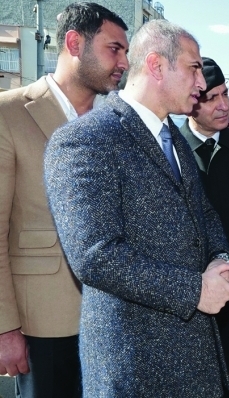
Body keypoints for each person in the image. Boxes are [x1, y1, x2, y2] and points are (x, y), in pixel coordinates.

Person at [43, 20, 229, 396]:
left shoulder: (173, 138)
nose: (201, 82)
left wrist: (221, 260)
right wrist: (195, 290)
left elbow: (204, 214)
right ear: (156, 65)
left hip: (194, 359)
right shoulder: (84, 140)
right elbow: (95, 255)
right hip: (136, 365)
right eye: (194, 67)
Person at [0, 3, 128, 397]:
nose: (124, 62)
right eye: (114, 49)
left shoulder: (120, 122)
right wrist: (5, 327)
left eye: (126, 52)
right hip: (43, 322)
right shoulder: (9, 111)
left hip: (114, 320)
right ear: (75, 43)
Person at [179, 57, 229, 398]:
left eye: (225, 94)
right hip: (187, 295)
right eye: (212, 98)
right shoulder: (171, 148)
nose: (225, 106)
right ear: (191, 101)